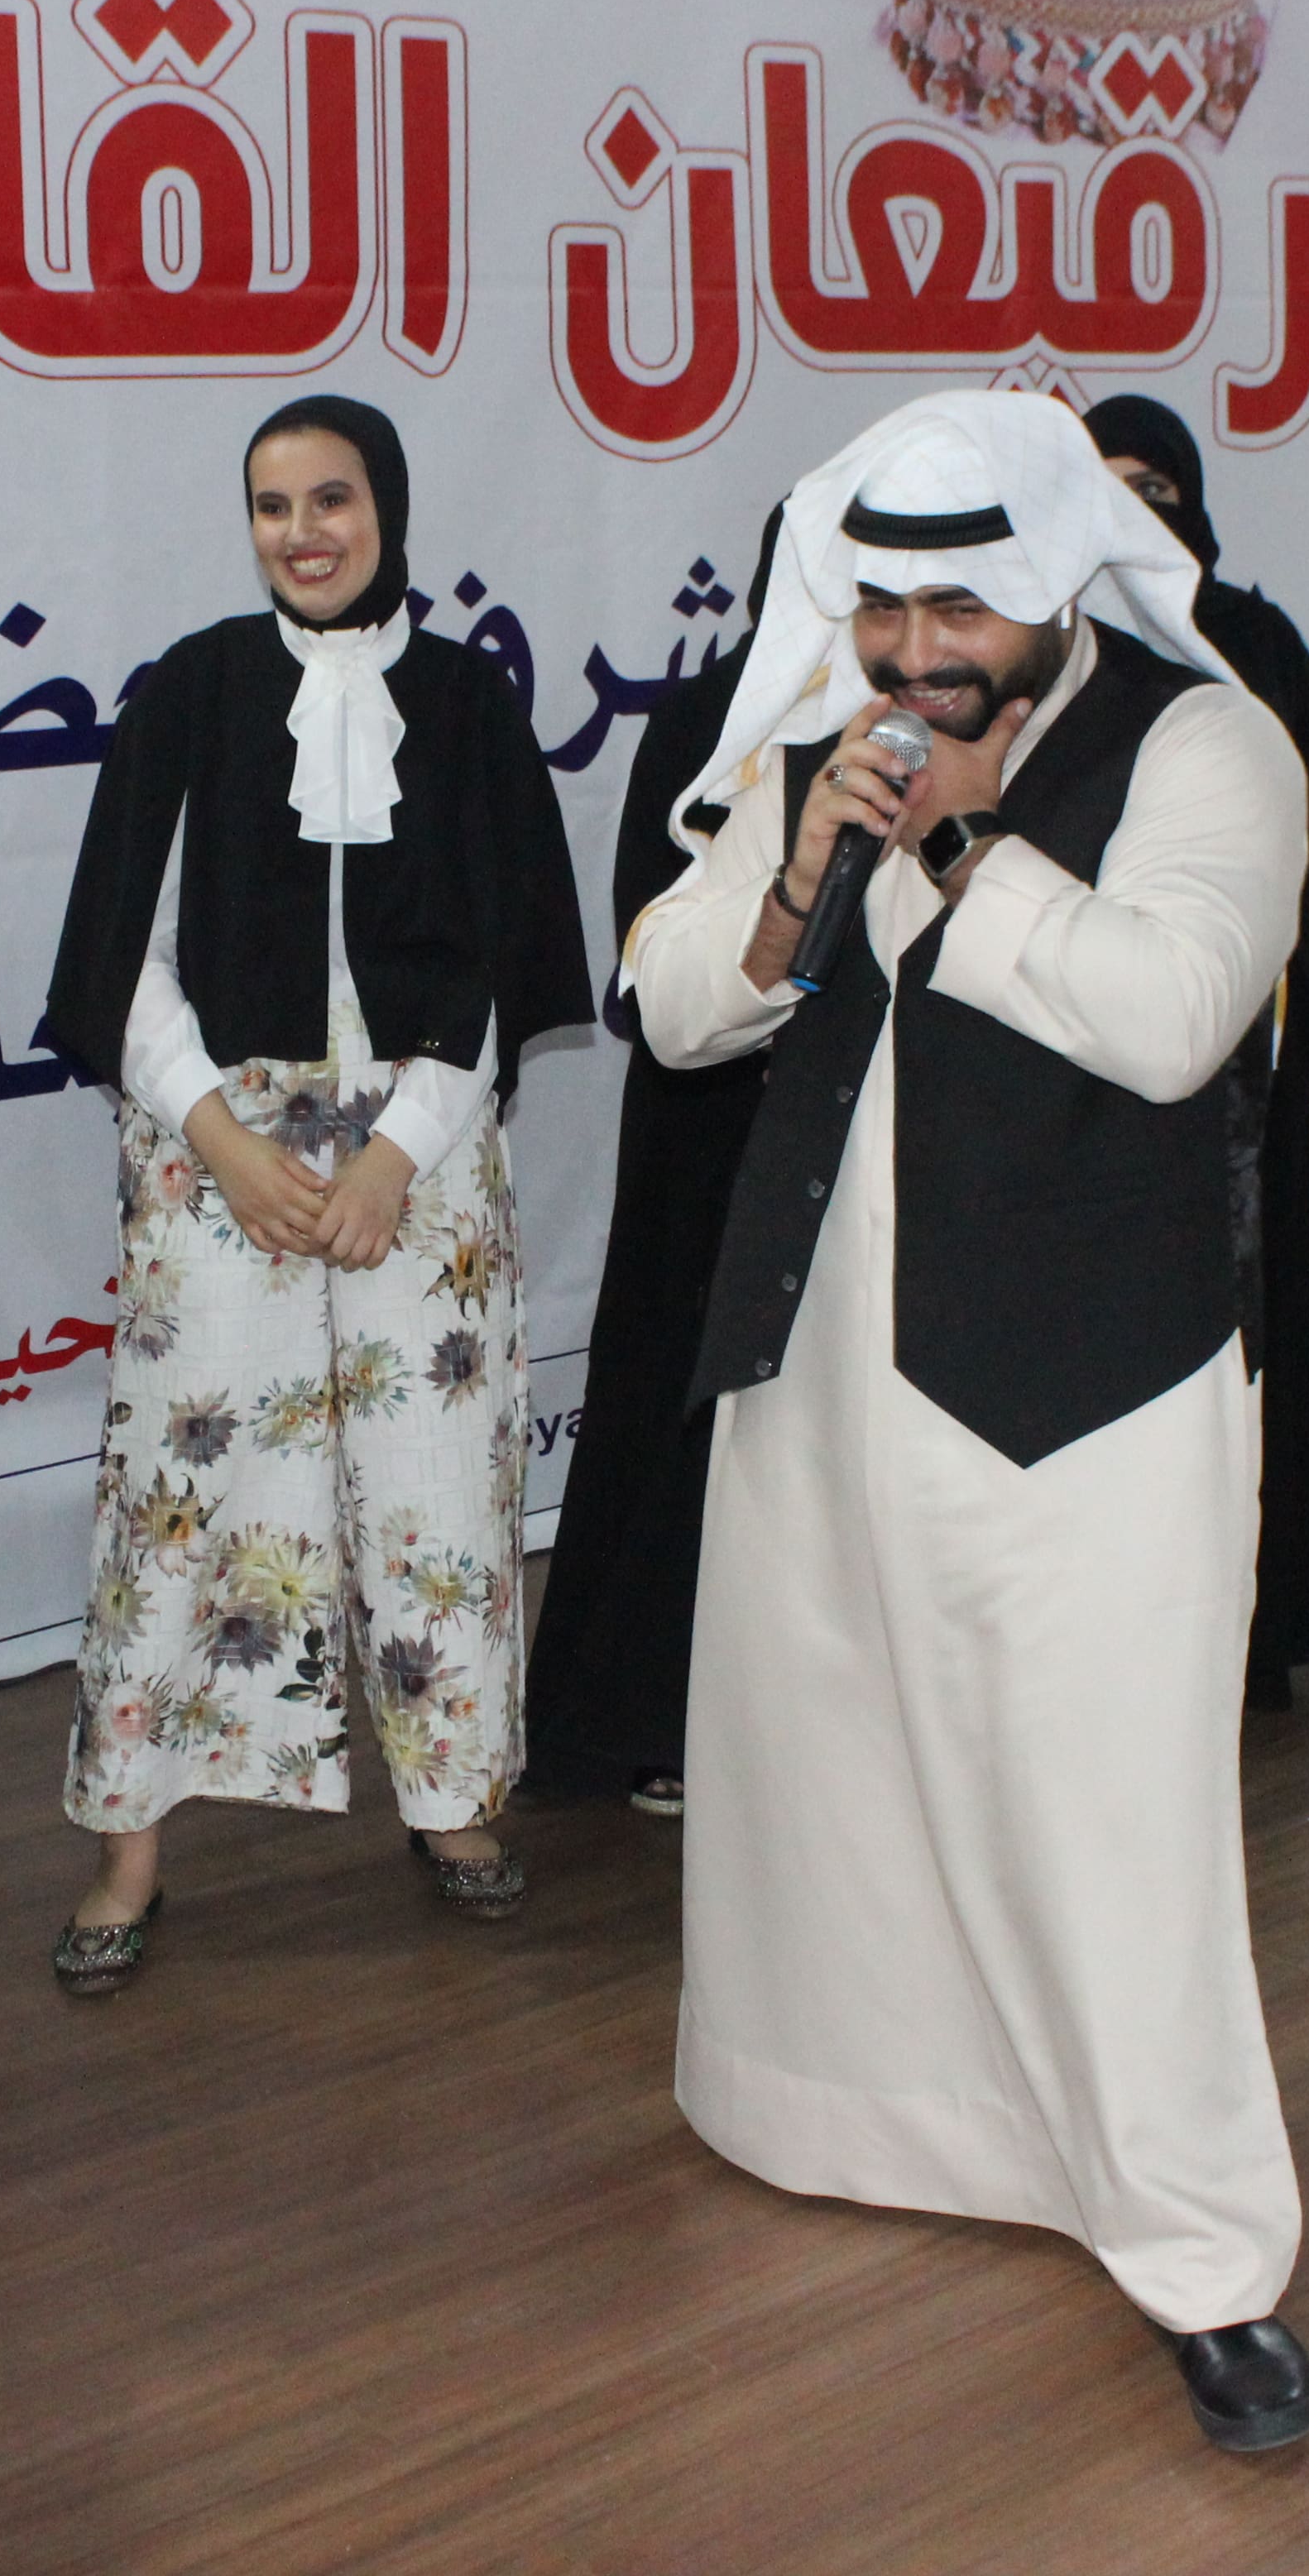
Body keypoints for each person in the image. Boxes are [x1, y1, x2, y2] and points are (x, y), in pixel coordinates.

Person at [626, 387, 1309, 2454]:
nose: (916, 653)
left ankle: (1200, 2256)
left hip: (1086, 1384)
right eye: (883, 611)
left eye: (960, 615)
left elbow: (1171, 1014)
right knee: (831, 1757)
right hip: (828, 1354)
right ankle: (853, 2117)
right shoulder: (825, 740)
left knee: (1101, 1814)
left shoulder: (1207, 745)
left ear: (1052, 587)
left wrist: (954, 842)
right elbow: (676, 1005)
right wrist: (805, 862)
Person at [38, 395, 593, 1989]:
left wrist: (398, 1150)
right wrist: (219, 1137)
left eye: (330, 498)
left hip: (421, 1152)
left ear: (386, 507)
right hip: (218, 1147)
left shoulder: (468, 701)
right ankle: (128, 1843)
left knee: (436, 1490)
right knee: (183, 1494)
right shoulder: (191, 690)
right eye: (271, 506)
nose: (302, 533)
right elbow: (121, 949)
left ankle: (450, 1796)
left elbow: (499, 954)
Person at [1084, 395, 1309, 1700]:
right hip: (1097, 1038)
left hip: (1252, 1028)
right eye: (1108, 486)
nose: (1136, 513)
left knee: (1253, 1342)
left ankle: (1249, 1640)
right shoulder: (1051, 642)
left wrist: (1228, 892)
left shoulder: (1251, 637)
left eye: (1158, 488)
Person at [524, 511, 780, 1814]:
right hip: (711, 1120)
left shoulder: (921, 731)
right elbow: (647, 945)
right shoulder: (707, 723)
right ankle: (653, 1714)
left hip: (848, 1131)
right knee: (678, 1415)